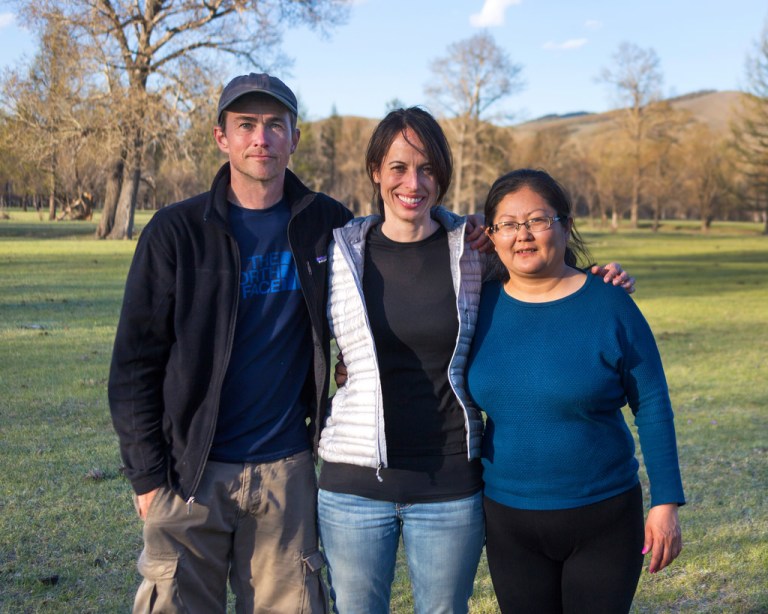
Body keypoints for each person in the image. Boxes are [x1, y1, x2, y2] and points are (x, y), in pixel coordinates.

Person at [318, 109, 635, 614]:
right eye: (398, 167)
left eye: (427, 169)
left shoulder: (471, 251)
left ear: (443, 175)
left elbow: (538, 271)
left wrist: (597, 280)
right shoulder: (338, 254)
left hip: (451, 483)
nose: (413, 183)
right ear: (376, 170)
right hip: (354, 483)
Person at [108, 73, 353, 613]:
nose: (260, 139)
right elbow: (133, 365)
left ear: (294, 136)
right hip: (189, 473)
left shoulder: (327, 224)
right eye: (246, 125)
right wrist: (147, 478)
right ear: (222, 137)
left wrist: (483, 241)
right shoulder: (176, 232)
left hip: (286, 472)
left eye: (274, 125)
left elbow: (404, 252)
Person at [467, 168, 685, 614]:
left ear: (565, 226)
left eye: (537, 220)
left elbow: (654, 405)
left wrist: (666, 502)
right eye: (508, 224)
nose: (522, 235)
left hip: (603, 518)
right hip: (509, 522)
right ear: (493, 235)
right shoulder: (475, 306)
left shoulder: (610, 304)